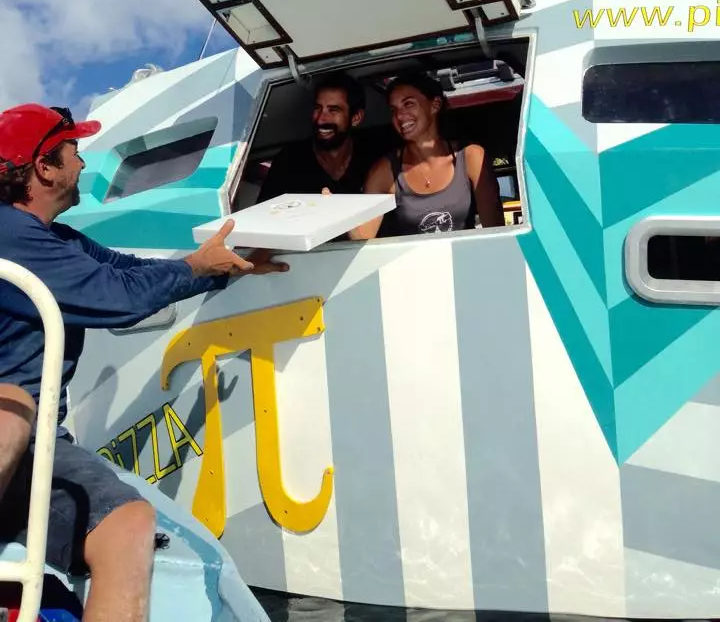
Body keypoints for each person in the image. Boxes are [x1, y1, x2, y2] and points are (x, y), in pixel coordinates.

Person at [0, 103, 286, 622]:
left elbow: (130, 273)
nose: (83, 165)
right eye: (74, 152)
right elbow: (117, 296)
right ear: (44, 167)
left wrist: (227, 265)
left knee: (127, 524)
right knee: (11, 405)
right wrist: (199, 268)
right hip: (9, 429)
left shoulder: (55, 240)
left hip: (37, 451)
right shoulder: (7, 235)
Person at [349, 72, 505, 239]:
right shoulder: (385, 170)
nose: (399, 116)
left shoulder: (470, 156)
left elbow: (497, 231)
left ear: (435, 105)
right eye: (393, 110)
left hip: (463, 262)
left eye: (408, 104)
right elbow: (359, 240)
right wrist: (331, 210)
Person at [257, 72, 374, 201]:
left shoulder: (373, 153)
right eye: (317, 108)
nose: (320, 120)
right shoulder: (290, 161)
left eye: (333, 110)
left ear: (356, 117)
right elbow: (266, 214)